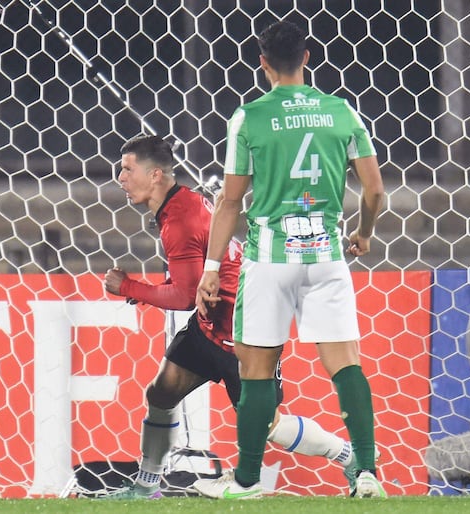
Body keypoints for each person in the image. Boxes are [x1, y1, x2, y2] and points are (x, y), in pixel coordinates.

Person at [102, 135, 369, 499]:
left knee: (268, 425)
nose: (120, 177)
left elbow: (184, 298)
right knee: (162, 392)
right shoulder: (182, 206)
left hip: (241, 330)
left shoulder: (178, 219)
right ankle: (147, 486)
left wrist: (129, 287)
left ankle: (350, 457)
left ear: (156, 176)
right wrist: (156, 288)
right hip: (210, 325)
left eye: (128, 169)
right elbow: (191, 280)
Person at [193, 20, 386, 499]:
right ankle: (367, 476)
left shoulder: (249, 117)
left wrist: (212, 268)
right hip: (326, 254)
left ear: (262, 64)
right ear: (307, 57)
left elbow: (230, 201)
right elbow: (376, 191)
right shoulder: (341, 112)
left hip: (271, 257)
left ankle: (246, 482)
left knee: (255, 370)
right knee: (346, 367)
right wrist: (362, 232)